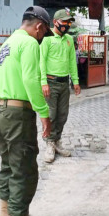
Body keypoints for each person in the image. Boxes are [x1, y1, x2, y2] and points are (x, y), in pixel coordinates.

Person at [0, 6, 52, 216]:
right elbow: (30, 79)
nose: (41, 38)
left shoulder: (6, 44)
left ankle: (5, 211)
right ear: (39, 26)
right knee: (24, 168)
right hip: (17, 114)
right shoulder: (28, 44)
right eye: (43, 33)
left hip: (0, 110)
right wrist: (44, 113)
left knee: (8, 162)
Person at [40, 8, 81, 163]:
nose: (67, 25)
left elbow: (72, 62)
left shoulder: (69, 39)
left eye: (69, 22)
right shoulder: (46, 39)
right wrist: (43, 82)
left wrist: (75, 81)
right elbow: (41, 61)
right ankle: (49, 143)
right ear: (55, 22)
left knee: (62, 115)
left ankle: (57, 141)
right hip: (50, 82)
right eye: (64, 22)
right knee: (51, 114)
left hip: (64, 84)